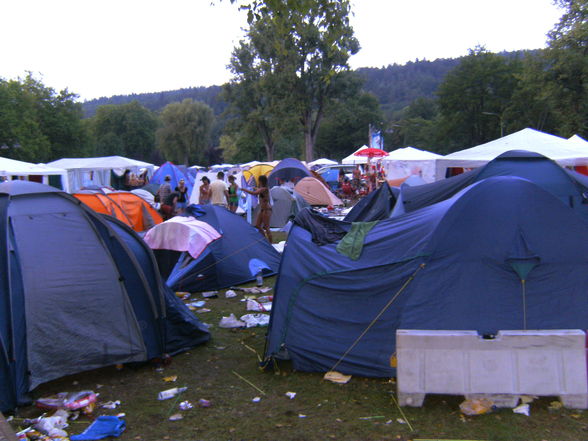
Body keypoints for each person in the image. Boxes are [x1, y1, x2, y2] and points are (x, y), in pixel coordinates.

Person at [242, 175, 272, 243]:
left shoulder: (264, 189)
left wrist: (244, 189)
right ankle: (265, 240)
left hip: (266, 210)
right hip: (262, 210)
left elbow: (254, 193)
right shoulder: (263, 189)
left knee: (267, 228)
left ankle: (270, 243)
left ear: (261, 181)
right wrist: (254, 188)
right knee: (257, 225)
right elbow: (258, 190)